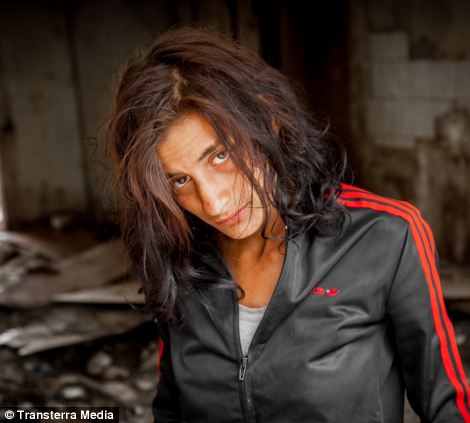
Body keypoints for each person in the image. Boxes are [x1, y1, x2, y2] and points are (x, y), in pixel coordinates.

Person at [106, 27, 470, 422]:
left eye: (220, 156)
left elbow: (447, 405)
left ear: (269, 121)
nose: (212, 201)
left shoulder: (384, 237)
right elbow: (171, 410)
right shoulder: (183, 259)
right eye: (179, 180)